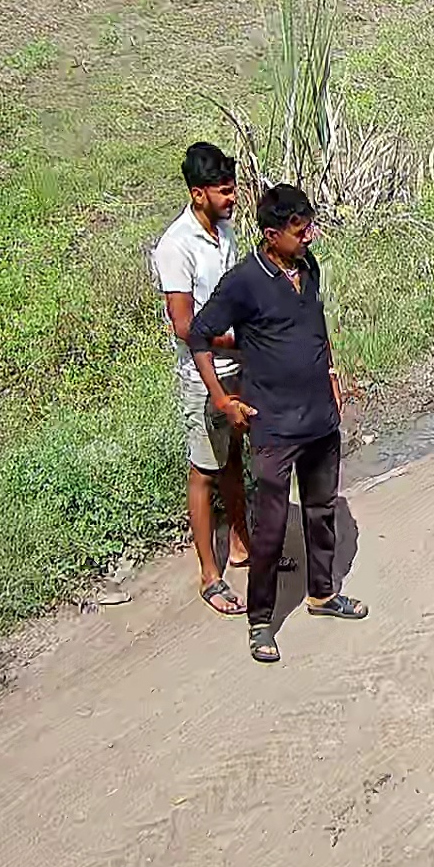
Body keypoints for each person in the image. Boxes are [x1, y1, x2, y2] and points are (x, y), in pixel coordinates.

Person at [190, 183, 369, 663]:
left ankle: (323, 594)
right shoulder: (244, 281)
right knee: (270, 528)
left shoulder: (308, 267)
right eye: (299, 229)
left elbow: (316, 327)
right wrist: (222, 400)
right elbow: (199, 334)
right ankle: (261, 621)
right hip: (273, 425)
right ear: (271, 235)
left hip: (319, 418)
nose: (309, 236)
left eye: (309, 226)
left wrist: (331, 375)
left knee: (321, 510)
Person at [152, 141, 257, 616]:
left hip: (236, 365)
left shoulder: (225, 231)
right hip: (204, 372)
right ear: (198, 194)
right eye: (224, 191)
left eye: (233, 189)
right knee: (203, 470)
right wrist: (237, 341)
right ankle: (209, 575)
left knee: (233, 455)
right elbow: (183, 325)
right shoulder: (176, 246)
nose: (233, 198)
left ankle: (240, 543)